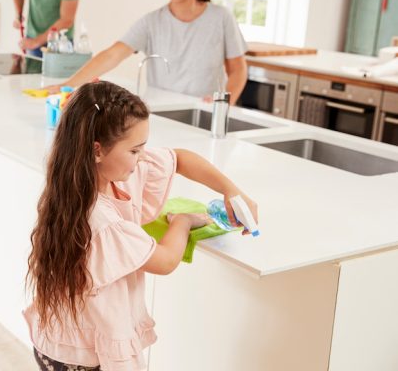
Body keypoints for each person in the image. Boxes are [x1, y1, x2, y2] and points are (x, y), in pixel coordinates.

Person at [24, 81, 258, 370]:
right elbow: (165, 260)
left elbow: (180, 159)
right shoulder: (101, 221)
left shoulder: (80, 179)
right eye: (135, 150)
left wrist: (232, 191)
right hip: (81, 360)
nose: (143, 157)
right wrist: (183, 221)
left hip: (58, 342)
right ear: (97, 150)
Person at [48, 0, 248, 104]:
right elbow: (112, 55)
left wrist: (223, 104)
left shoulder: (221, 18)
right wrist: (68, 86)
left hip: (203, 112)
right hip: (161, 112)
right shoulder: (152, 22)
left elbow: (238, 70)